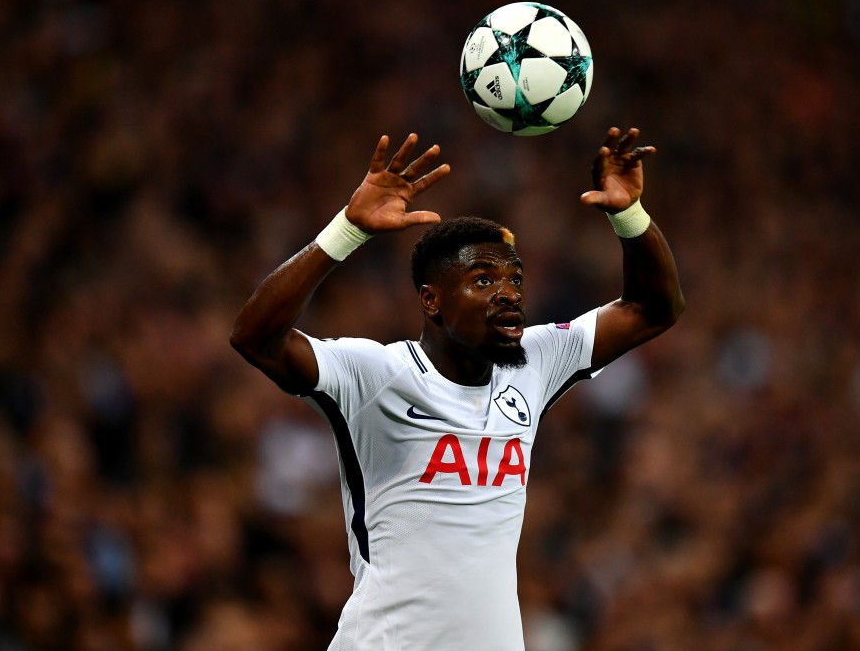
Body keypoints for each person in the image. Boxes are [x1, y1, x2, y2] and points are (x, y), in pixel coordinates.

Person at [230, 127, 685, 650]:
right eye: (483, 280)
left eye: (515, 279)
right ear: (432, 300)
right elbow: (255, 337)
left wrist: (630, 215)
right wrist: (346, 232)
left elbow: (654, 308)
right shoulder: (377, 375)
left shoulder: (534, 361)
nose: (508, 293)